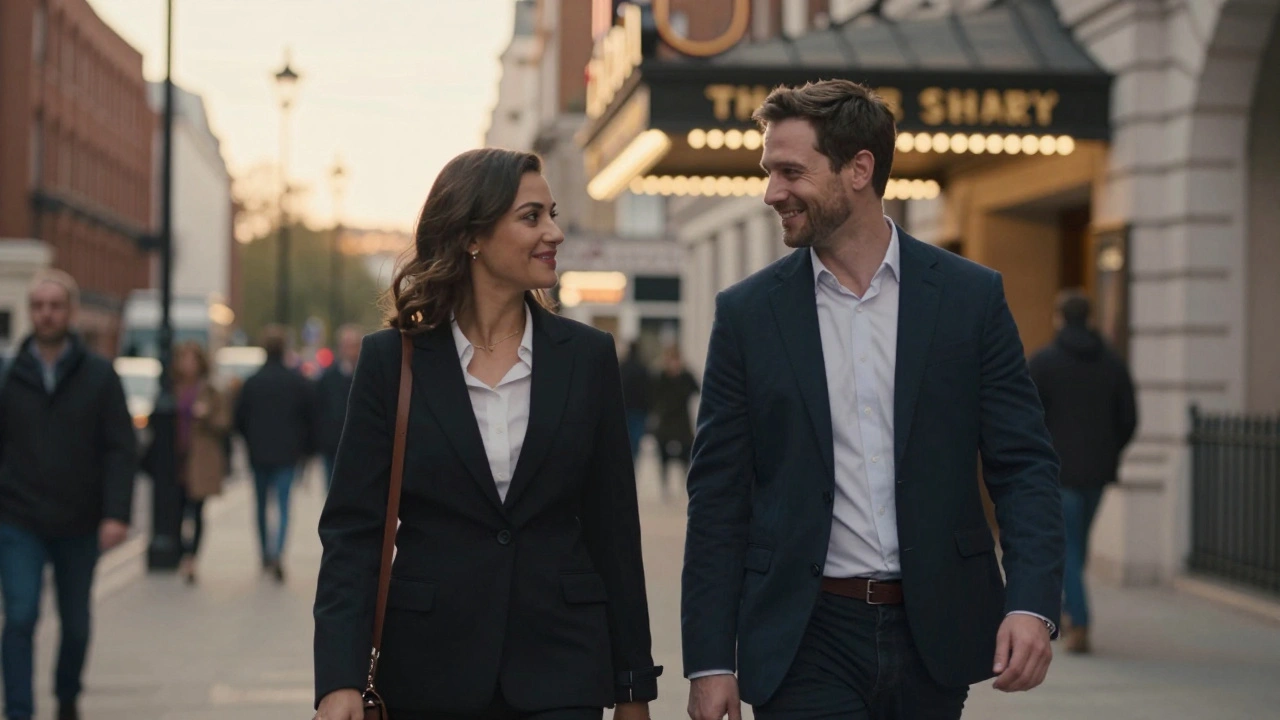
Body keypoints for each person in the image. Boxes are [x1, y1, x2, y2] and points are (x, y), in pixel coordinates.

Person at [681, 79, 1064, 720]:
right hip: (804, 635)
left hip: (935, 630)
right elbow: (718, 496)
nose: (772, 191)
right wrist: (711, 659)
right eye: (768, 171)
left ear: (859, 169)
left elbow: (1024, 465)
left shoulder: (970, 299)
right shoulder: (748, 315)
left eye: (791, 171)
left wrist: (1031, 603)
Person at [313, 148, 660, 720]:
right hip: (429, 671)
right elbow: (355, 531)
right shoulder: (391, 361)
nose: (555, 232)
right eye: (531, 217)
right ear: (472, 235)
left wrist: (632, 688)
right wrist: (339, 679)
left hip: (562, 670)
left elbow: (614, 531)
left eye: (552, 214)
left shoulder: (588, 358)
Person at [0, 270, 136, 720]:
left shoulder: (98, 374)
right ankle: (19, 710)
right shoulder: (9, 373)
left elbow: (121, 447)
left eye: (55, 306)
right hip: (18, 519)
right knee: (19, 617)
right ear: (30, 312)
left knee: (75, 625)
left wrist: (117, 513)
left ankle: (66, 697)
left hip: (80, 520)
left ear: (70, 312)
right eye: (38, 306)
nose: (46, 314)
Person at [1029, 290, 1137, 654]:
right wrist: (1109, 452)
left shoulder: (1043, 362)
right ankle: (1071, 610)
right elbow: (1129, 418)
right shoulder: (1112, 362)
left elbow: (1029, 417)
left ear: (1059, 318)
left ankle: (1080, 621)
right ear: (1089, 318)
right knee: (1077, 546)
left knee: (1069, 549)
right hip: (1097, 472)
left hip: (1059, 471)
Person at [234, 325, 315, 583]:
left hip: (258, 454)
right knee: (282, 505)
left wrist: (250, 441)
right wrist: (304, 449)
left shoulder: (252, 382)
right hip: (287, 454)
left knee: (260, 506)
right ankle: (278, 551)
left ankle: (265, 554)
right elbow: (309, 418)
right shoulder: (296, 381)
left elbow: (239, 420)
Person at [172, 341, 231, 585]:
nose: (188, 365)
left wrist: (206, 415)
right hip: (178, 458)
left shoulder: (209, 390)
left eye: (192, 360)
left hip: (200, 459)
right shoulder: (172, 388)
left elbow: (224, 423)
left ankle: (191, 559)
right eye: (184, 360)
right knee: (175, 509)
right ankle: (181, 551)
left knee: (195, 511)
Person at [315, 324, 363, 490]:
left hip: (360, 447)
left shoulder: (367, 375)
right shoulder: (328, 377)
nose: (350, 351)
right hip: (332, 445)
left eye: (354, 346)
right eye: (346, 346)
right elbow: (319, 408)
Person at [649, 346, 699, 498]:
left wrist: (686, 371)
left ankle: (686, 483)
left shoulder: (686, 376)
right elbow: (652, 394)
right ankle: (665, 486)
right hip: (665, 423)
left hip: (682, 423)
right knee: (663, 456)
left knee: (686, 455)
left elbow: (697, 389)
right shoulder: (661, 376)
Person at [618, 340, 651, 462]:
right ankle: (632, 462)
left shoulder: (622, 367)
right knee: (636, 441)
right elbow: (648, 391)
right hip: (639, 410)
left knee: (624, 439)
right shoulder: (643, 368)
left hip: (624, 408)